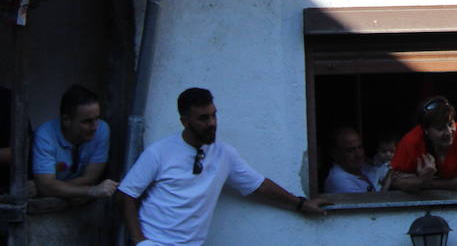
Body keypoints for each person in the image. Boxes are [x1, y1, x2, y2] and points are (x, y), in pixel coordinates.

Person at [118, 87, 328, 245]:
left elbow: (259, 185)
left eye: (213, 115)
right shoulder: (159, 152)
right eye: (203, 118)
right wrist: (140, 241)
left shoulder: (224, 154)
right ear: (185, 121)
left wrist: (300, 204)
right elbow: (128, 192)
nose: (212, 123)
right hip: (155, 242)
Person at [31, 84, 118, 199]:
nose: (94, 127)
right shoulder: (45, 135)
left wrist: (50, 188)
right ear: (66, 120)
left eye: (97, 118)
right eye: (87, 121)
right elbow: (46, 186)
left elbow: (90, 178)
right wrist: (91, 191)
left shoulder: (102, 129)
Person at [390, 96, 457, 193]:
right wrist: (421, 181)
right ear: (426, 130)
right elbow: (395, 181)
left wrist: (424, 182)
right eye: (440, 128)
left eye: (450, 124)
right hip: (425, 200)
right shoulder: (411, 142)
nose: (449, 132)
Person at [322, 126, 384, 194]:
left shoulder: (362, 167)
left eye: (360, 147)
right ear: (335, 154)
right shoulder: (339, 180)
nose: (359, 155)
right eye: (350, 150)